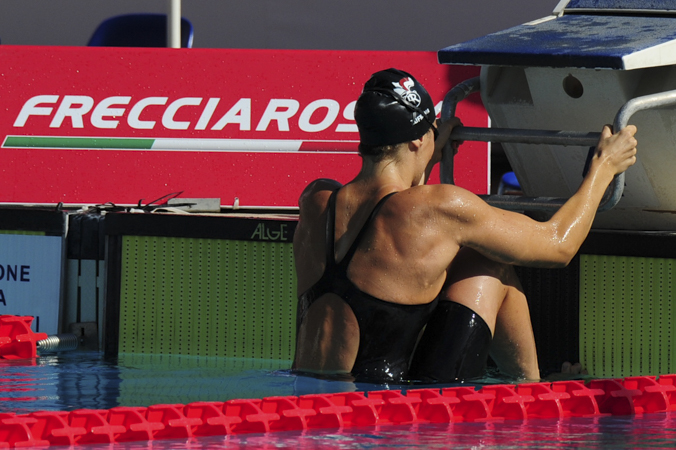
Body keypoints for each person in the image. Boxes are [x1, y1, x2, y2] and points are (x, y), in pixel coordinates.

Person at [292, 68, 637, 383]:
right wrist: (603, 169)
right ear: (416, 140)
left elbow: (390, 221)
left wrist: (428, 154)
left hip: (307, 403)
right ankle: (531, 388)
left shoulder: (316, 202)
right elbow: (558, 245)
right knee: (489, 262)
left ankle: (529, 385)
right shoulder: (438, 208)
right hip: (386, 415)